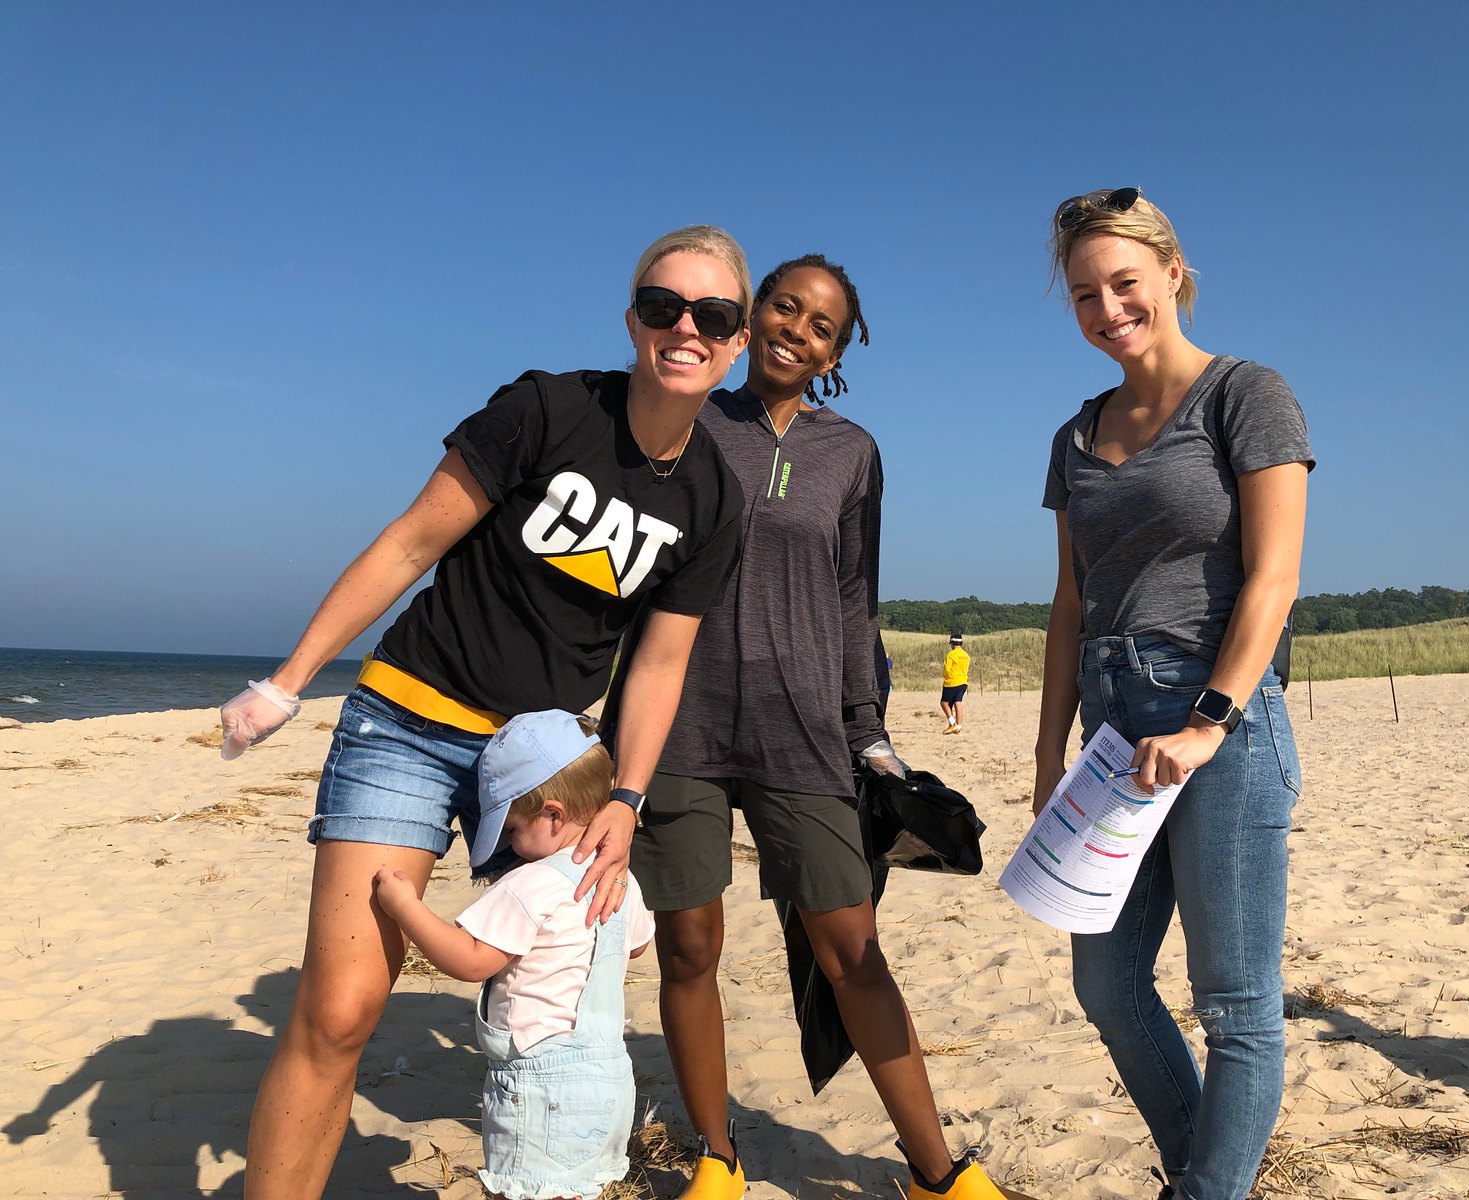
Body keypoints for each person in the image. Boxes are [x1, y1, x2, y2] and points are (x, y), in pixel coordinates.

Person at [219, 225, 752, 1200]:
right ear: (631, 318)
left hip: (547, 767)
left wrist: (625, 797)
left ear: (738, 339)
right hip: (412, 723)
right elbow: (409, 544)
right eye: (662, 305)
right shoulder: (546, 409)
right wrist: (288, 679)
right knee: (341, 1010)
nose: (685, 327)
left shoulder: (716, 496)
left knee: (560, 1006)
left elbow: (660, 661)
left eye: (712, 314)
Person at [628, 254, 1009, 1200]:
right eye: (784, 307)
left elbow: (852, 598)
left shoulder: (853, 451)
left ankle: (937, 1173)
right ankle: (717, 1161)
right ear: (750, 315)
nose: (798, 329)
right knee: (689, 949)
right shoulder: (684, 414)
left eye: (822, 323)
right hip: (677, 727)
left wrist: (868, 733)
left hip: (804, 732)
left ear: (839, 349)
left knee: (854, 951)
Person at [1033, 188, 1313, 1200]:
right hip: (1111, 731)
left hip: (1220, 726)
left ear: (1173, 274)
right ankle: (1206, 1175)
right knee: (1105, 983)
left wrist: (1208, 721)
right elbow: (1068, 605)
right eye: (1083, 295)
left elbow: (1273, 578)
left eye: (1123, 284)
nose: (1106, 309)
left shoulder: (1247, 393)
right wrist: (1044, 755)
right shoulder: (1074, 433)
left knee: (1234, 1002)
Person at [373, 710, 655, 1200]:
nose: (509, 844)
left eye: (511, 829)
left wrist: (405, 908)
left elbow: (471, 960)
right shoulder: (619, 878)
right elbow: (638, 944)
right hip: (610, 1080)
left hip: (541, 1084)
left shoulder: (531, 882)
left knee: (519, 1190)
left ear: (553, 814)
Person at [940, 633, 970, 733]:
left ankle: (952, 723)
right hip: (963, 681)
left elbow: (947, 670)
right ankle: (959, 725)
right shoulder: (966, 655)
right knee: (958, 702)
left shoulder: (951, 655)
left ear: (952, 643)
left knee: (944, 703)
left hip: (952, 682)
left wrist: (945, 677)